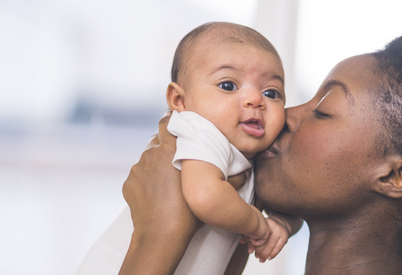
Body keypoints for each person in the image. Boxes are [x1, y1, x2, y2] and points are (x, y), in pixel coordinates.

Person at [121, 28, 402, 275]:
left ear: (396, 176)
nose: (283, 115)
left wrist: (158, 233)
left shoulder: (164, 226)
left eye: (323, 110)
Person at [76, 22, 302, 275]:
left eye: (271, 93)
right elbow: (205, 196)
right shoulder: (201, 130)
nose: (256, 100)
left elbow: (296, 203)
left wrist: (282, 223)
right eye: (228, 85)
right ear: (179, 101)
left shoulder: (257, 153)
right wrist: (260, 226)